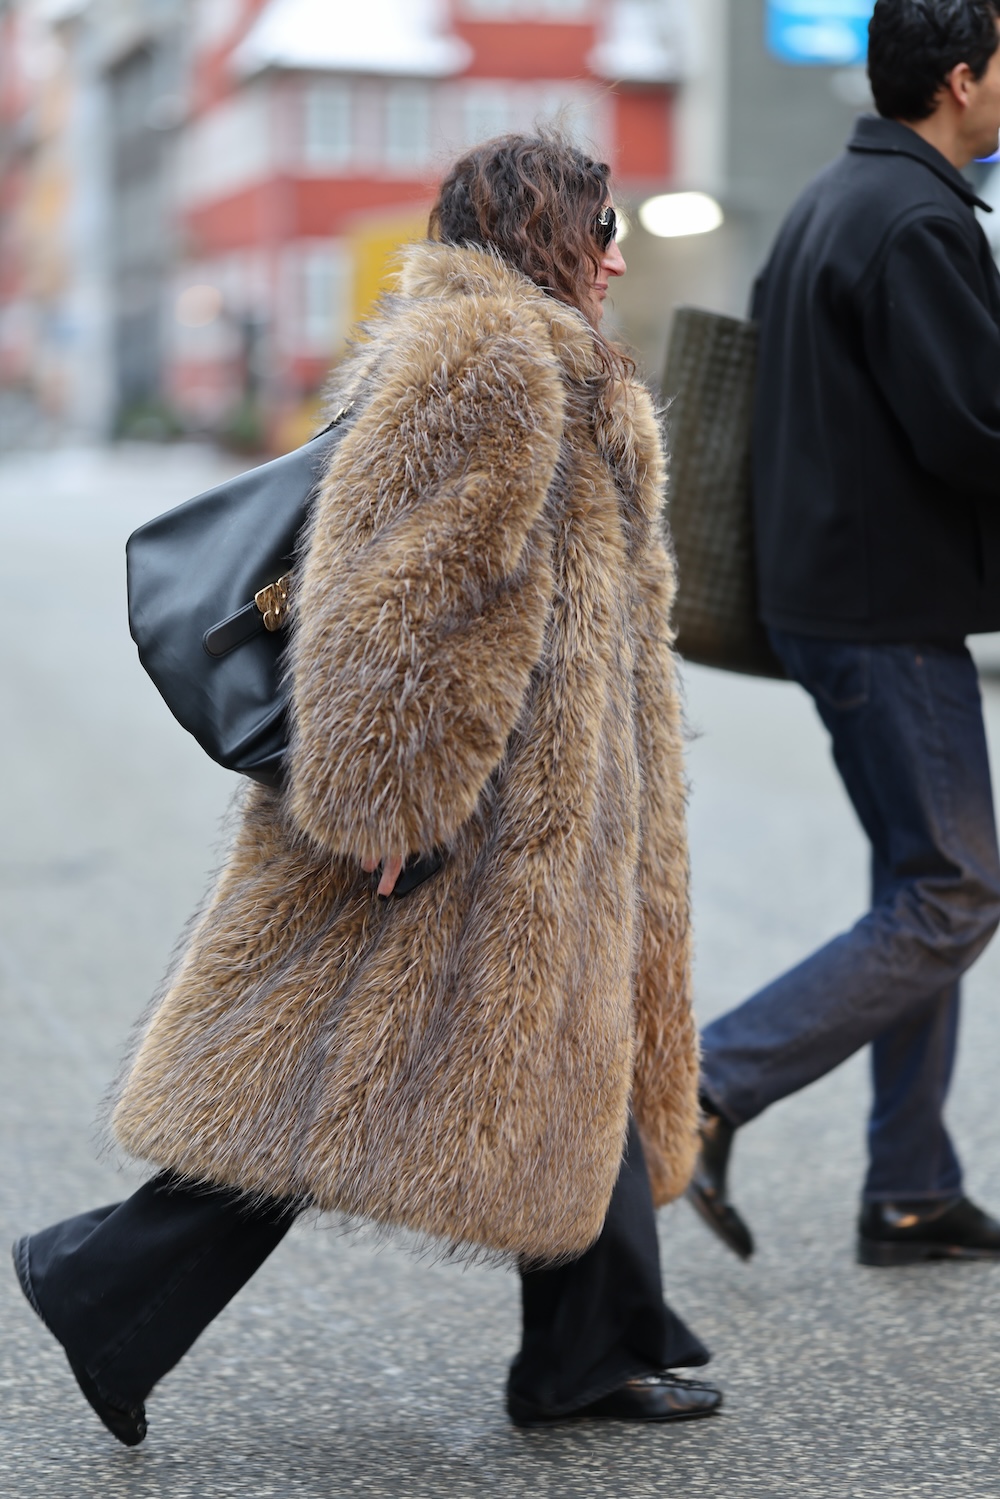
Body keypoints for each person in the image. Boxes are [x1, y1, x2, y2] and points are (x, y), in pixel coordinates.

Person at [12, 132, 722, 1445]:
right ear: (536, 233)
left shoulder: (532, 354)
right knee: (329, 1075)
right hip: (476, 809)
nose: (620, 249)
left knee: (577, 1048)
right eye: (601, 225)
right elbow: (400, 596)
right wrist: (394, 803)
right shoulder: (492, 357)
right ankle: (105, 1282)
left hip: (548, 810)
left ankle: (595, 1343)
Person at [688, 0, 1000, 1269]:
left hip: (836, 602)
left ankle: (911, 1186)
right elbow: (973, 431)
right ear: (965, 80)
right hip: (887, 614)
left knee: (916, 879)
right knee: (954, 888)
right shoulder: (916, 219)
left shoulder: (836, 195)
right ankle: (705, 1083)